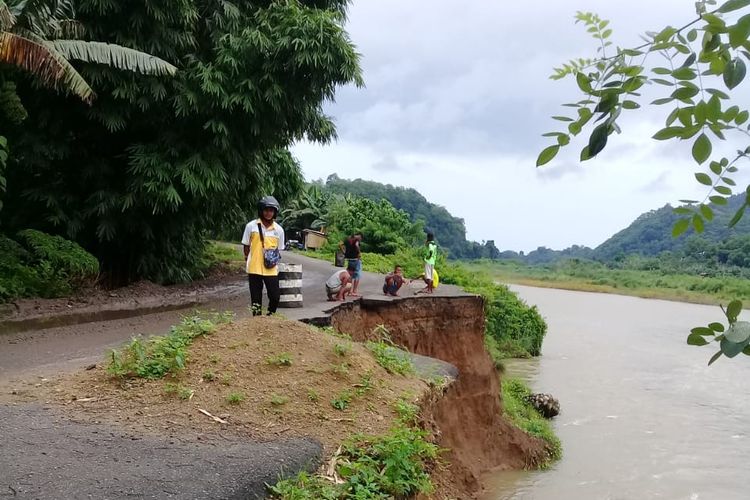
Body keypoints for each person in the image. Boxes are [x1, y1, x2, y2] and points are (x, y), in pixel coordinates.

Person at [241, 196, 285, 316]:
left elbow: (279, 249)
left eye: (271, 210)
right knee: (256, 300)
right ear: (261, 210)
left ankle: (270, 317)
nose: (268, 213)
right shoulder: (251, 226)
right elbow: (246, 245)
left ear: (275, 212)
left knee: (275, 296)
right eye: (266, 210)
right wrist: (249, 259)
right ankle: (257, 323)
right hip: (254, 268)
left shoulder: (279, 230)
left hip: (271, 269)